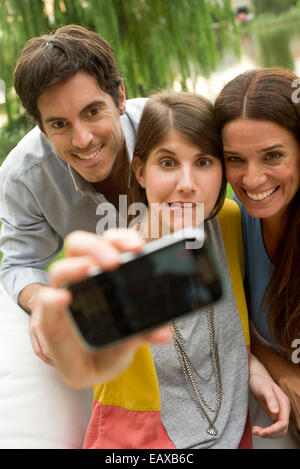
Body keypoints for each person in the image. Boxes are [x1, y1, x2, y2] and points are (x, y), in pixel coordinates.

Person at [43, 91, 290, 449]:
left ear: (223, 171)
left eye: (204, 162)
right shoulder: (116, 262)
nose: (187, 183)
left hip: (236, 436)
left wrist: (251, 366)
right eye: (168, 163)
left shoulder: (231, 222)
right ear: (141, 171)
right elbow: (83, 350)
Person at [0, 24, 147, 364]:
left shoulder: (170, 130)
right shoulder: (23, 177)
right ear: (40, 127)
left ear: (120, 96)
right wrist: (41, 301)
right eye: (59, 124)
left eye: (92, 112)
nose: (82, 140)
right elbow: (20, 263)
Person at [214, 67, 300, 442]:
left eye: (273, 155)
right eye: (235, 159)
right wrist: (282, 371)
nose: (252, 179)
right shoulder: (231, 221)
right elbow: (227, 318)